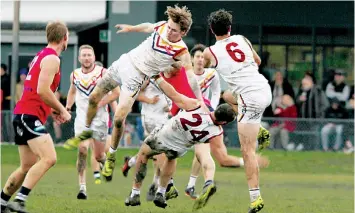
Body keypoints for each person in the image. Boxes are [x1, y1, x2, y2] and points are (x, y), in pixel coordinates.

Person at [64, 5, 207, 183]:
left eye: (174, 30)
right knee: (93, 97)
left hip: (137, 78)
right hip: (124, 63)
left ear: (183, 32)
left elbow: (191, 77)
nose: (169, 32)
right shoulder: (163, 26)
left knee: (118, 119)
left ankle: (112, 156)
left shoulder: (182, 51)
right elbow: (148, 26)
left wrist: (200, 101)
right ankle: (86, 130)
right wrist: (131, 28)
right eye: (169, 27)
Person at [125, 79, 236, 210]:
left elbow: (174, 95)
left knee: (143, 155)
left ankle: (135, 194)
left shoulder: (197, 105)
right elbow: (221, 155)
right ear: (223, 122)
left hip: (163, 136)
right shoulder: (217, 132)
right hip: (180, 148)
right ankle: (161, 192)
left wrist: (158, 78)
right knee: (171, 159)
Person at [203, 9, 272, 212]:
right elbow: (258, 62)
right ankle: (257, 127)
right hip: (264, 89)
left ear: (211, 30)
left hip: (250, 99)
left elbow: (201, 69)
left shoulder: (209, 52)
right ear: (230, 28)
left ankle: (255, 198)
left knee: (247, 151)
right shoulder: (242, 39)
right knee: (227, 96)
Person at [0, 21, 71, 213]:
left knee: (26, 166)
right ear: (65, 38)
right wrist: (62, 109)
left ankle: (2, 202)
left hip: (24, 114)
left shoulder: (41, 55)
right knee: (49, 158)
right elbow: (42, 90)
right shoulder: (52, 58)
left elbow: (36, 91)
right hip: (28, 116)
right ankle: (20, 200)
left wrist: (53, 110)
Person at [64, 45, 120, 199]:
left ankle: (105, 164)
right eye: (84, 55)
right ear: (79, 58)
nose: (87, 58)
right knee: (82, 149)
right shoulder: (74, 75)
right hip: (82, 118)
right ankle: (82, 188)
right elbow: (72, 91)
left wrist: (100, 103)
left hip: (100, 119)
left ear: (94, 57)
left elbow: (116, 93)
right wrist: (67, 107)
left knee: (99, 156)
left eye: (89, 55)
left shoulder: (103, 73)